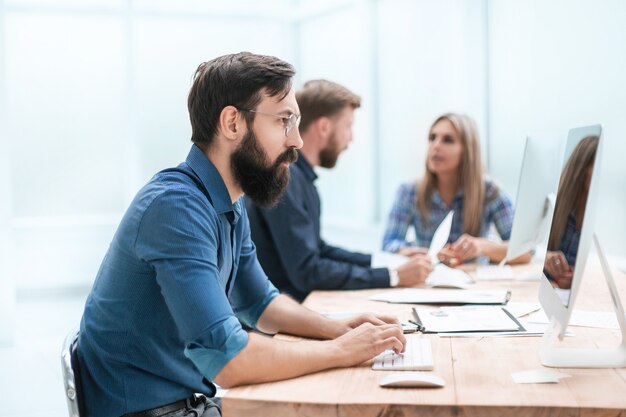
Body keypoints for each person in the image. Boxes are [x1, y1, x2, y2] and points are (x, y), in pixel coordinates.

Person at [77, 53, 406, 417]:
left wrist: (335, 328)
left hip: (187, 402)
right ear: (232, 123)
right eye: (284, 120)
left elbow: (260, 303)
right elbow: (228, 358)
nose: (296, 140)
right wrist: (343, 350)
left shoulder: (228, 203)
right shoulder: (176, 207)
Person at [245, 79, 432, 302]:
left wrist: (386, 261)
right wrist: (391, 276)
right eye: (348, 126)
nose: (350, 138)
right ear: (324, 127)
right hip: (282, 316)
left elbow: (318, 249)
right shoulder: (287, 180)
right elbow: (307, 271)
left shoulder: (301, 179)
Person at [382, 113, 530, 265]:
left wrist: (482, 246)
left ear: (467, 150)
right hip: (426, 281)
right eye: (432, 138)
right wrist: (418, 253)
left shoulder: (489, 191)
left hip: (476, 283)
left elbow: (525, 251)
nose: (436, 146)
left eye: (448, 140)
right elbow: (388, 244)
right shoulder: (408, 192)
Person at [543, 135, 599, 289]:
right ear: (582, 169)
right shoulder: (555, 203)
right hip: (549, 291)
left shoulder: (602, 216)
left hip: (581, 297)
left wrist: (579, 281)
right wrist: (545, 258)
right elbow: (528, 251)